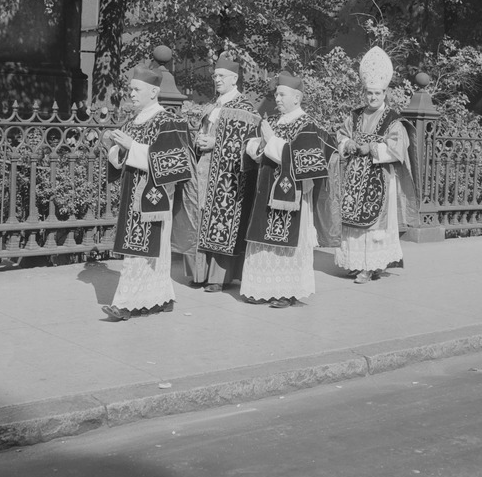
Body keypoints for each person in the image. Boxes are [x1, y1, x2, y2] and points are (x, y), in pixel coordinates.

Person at [101, 66, 194, 321]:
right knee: (145, 253)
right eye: (130, 89)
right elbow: (121, 159)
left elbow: (177, 163)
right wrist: (116, 148)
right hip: (132, 193)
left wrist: (133, 148)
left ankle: (124, 304)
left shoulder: (168, 121)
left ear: (153, 92)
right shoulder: (134, 120)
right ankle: (160, 297)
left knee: (142, 252)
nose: (131, 93)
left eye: (136, 89)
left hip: (155, 197)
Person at [240, 71, 335, 308]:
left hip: (294, 197)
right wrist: (260, 143)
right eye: (276, 94)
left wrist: (270, 141)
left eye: (282, 94)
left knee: (288, 243)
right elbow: (250, 145)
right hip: (266, 193)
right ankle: (262, 288)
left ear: (297, 97)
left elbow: (305, 161)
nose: (277, 98)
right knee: (264, 238)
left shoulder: (308, 125)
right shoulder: (271, 121)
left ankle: (287, 291)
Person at [333, 47, 416, 283]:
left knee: (374, 226)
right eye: (369, 93)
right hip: (354, 177)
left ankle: (370, 266)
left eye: (377, 94)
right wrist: (347, 143)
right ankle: (356, 262)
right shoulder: (355, 115)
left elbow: (398, 147)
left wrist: (372, 148)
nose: (372, 98)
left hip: (380, 177)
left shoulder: (393, 119)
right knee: (352, 220)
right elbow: (340, 135)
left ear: (385, 93)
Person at [184, 53, 261, 292]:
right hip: (204, 168)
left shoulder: (245, 108)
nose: (216, 79)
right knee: (200, 214)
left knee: (221, 219)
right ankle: (200, 273)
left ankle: (218, 277)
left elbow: (249, 143)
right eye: (215, 75)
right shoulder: (212, 105)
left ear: (234, 79)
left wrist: (216, 144)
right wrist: (199, 139)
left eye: (221, 76)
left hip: (229, 173)